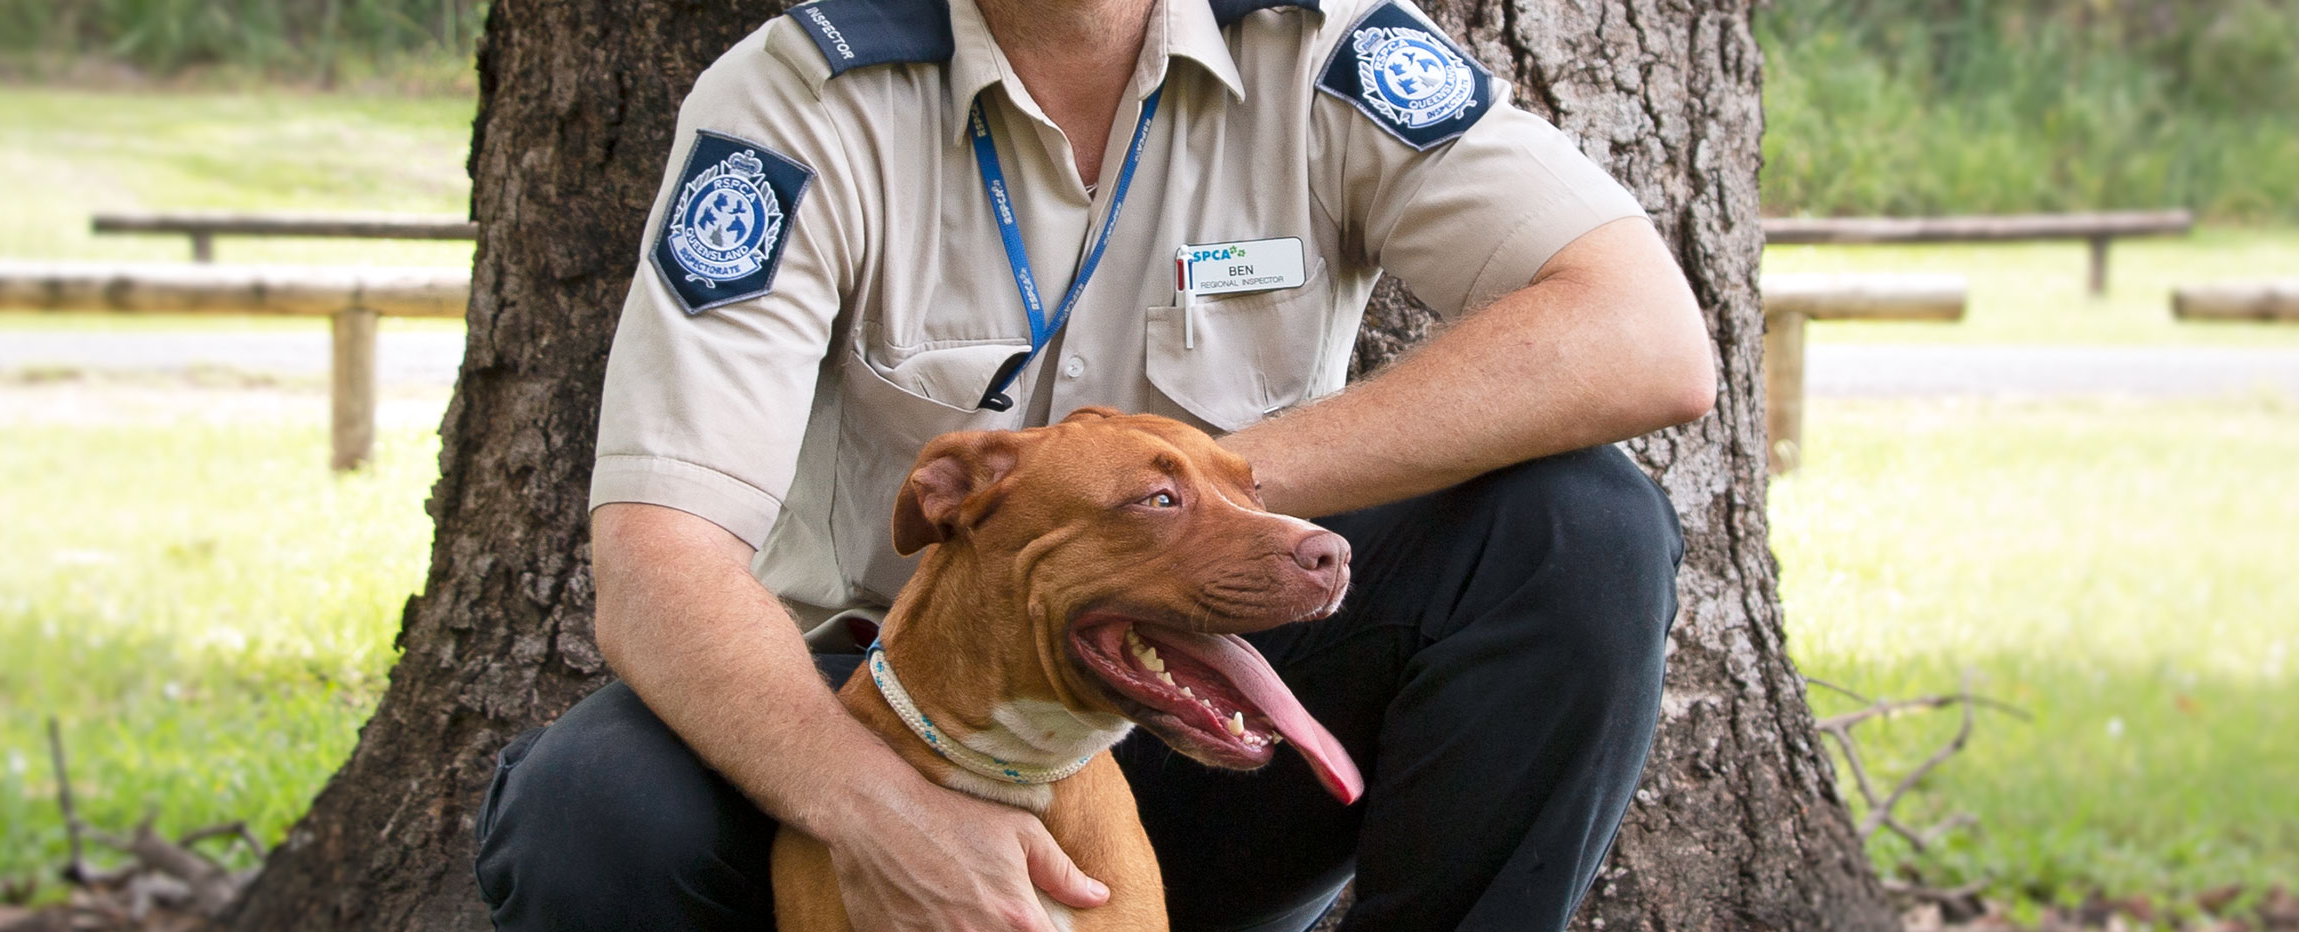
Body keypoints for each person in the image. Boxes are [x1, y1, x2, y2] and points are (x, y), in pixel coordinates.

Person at [471, 0, 1717, 925]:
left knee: (1580, 527)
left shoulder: (1323, 47)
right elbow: (659, 559)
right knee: (592, 811)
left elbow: (1645, 335)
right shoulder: (798, 97)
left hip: (1208, 710)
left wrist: (1188, 497)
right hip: (888, 713)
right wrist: (883, 814)